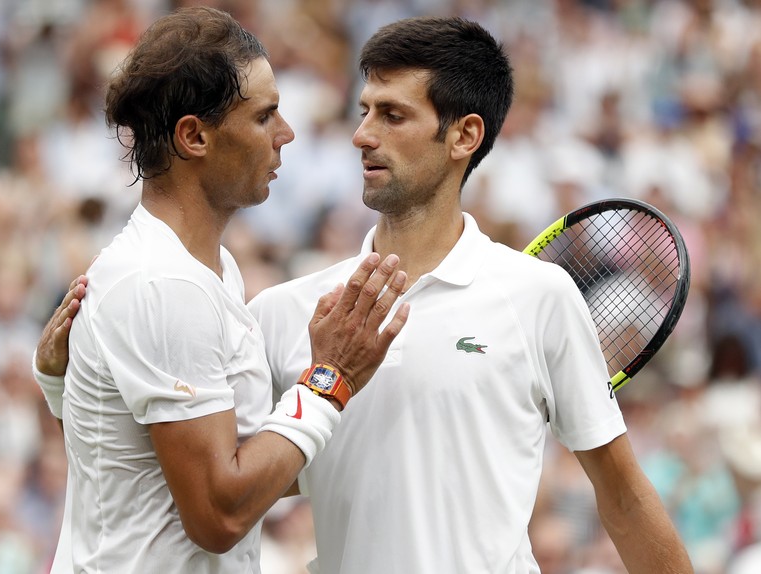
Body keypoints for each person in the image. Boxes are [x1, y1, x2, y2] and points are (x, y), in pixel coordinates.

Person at [37, 14, 693, 574]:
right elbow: (208, 477)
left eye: (392, 115)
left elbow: (624, 497)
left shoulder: (538, 295)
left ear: (464, 135)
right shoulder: (282, 312)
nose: (361, 134)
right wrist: (77, 382)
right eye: (363, 111)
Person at [31, 7, 409, 573]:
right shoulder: (164, 284)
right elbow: (218, 515)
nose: (286, 135)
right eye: (264, 117)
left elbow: (137, 459)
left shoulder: (207, 270)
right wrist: (331, 379)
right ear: (194, 136)